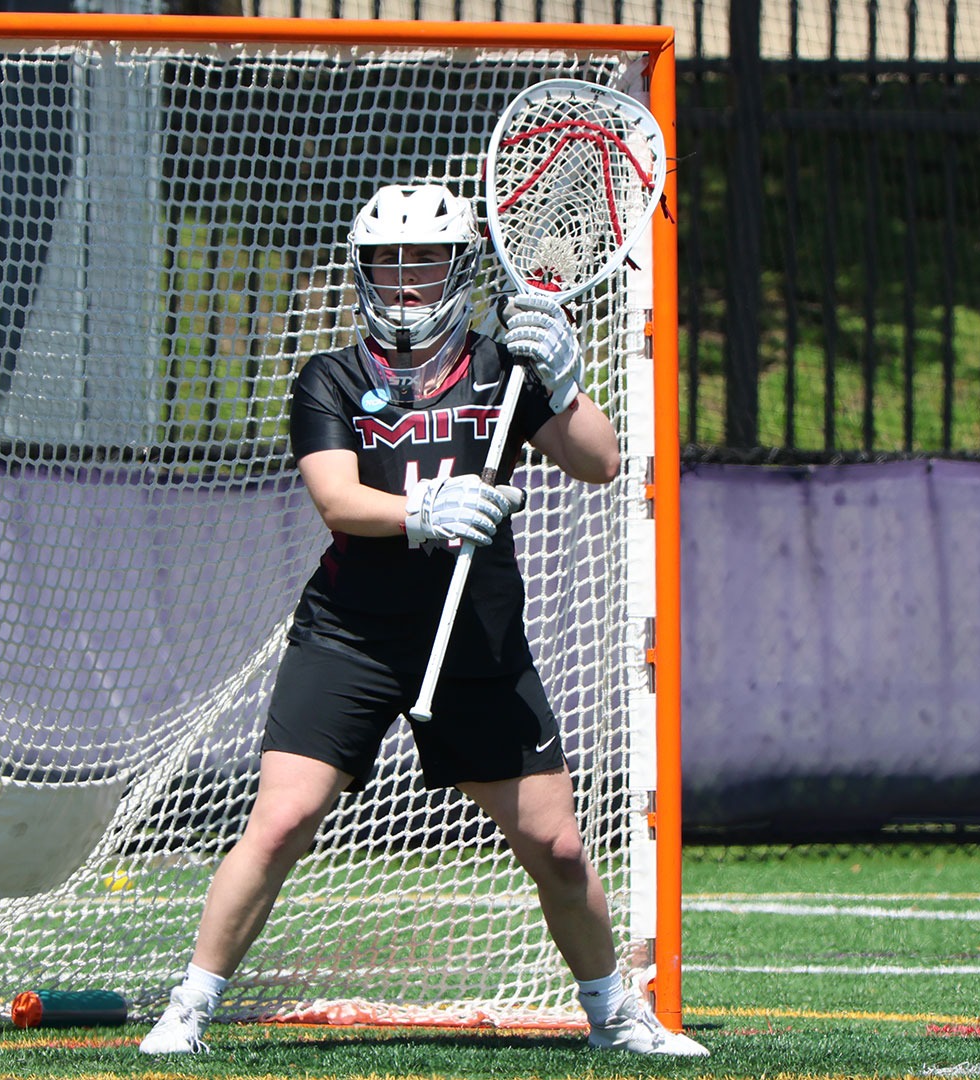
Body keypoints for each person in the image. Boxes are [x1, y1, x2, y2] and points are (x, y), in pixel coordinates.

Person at [137, 183, 707, 1058]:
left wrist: (563, 377)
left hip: (475, 638)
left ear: (458, 265)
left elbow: (599, 462)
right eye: (388, 260)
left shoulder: (501, 368)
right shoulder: (330, 376)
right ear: (363, 270)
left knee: (555, 845)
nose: (406, 277)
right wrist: (425, 513)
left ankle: (613, 1015)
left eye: (425, 258)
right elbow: (336, 499)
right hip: (352, 633)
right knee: (284, 819)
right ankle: (190, 1010)